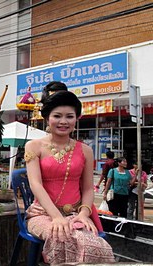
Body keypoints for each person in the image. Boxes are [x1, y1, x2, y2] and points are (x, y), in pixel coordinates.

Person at [24, 88, 115, 264]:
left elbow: (88, 188)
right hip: (41, 214)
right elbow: (36, 185)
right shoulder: (33, 146)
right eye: (57, 116)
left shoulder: (86, 150)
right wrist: (56, 217)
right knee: (62, 237)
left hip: (75, 213)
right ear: (47, 118)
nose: (63, 121)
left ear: (77, 119)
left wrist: (83, 214)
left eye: (69, 116)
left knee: (94, 244)